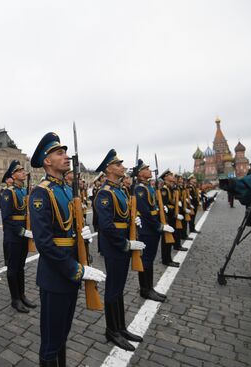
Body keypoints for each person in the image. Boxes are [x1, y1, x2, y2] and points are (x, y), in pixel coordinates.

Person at [29, 132, 105, 366]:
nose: (66, 156)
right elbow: (44, 242)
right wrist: (76, 269)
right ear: (47, 161)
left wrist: (81, 238)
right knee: (51, 341)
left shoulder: (64, 188)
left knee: (63, 334)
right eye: (59, 153)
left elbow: (68, 228)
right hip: (55, 275)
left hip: (71, 271)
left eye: (65, 152)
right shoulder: (42, 192)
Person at [94, 149, 145, 351]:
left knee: (119, 289)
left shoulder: (120, 191)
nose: (123, 167)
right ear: (109, 169)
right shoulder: (105, 193)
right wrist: (125, 244)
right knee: (113, 289)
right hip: (115, 246)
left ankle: (121, 327)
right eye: (118, 164)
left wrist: (134, 220)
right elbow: (106, 226)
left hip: (123, 243)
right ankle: (112, 330)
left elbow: (123, 217)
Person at [134, 159, 174, 302]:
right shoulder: (139, 189)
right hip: (147, 230)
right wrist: (159, 226)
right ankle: (145, 289)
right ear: (140, 173)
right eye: (146, 168)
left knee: (149, 260)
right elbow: (144, 212)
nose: (149, 170)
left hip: (152, 229)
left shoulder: (148, 187)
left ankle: (150, 287)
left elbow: (153, 207)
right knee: (145, 260)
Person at [0, 160, 36, 313]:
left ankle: (22, 295)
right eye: (20, 171)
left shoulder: (23, 191)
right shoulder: (9, 192)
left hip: (23, 235)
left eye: (23, 170)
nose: (23, 173)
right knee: (13, 268)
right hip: (13, 236)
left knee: (21, 266)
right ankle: (15, 299)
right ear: (13, 175)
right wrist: (22, 232)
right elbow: (7, 218)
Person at [159, 170, 182, 267]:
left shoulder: (170, 188)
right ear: (165, 178)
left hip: (172, 215)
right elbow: (164, 205)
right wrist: (174, 213)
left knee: (170, 238)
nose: (172, 176)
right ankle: (166, 259)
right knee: (166, 239)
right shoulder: (164, 189)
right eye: (170, 175)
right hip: (167, 217)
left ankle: (168, 258)